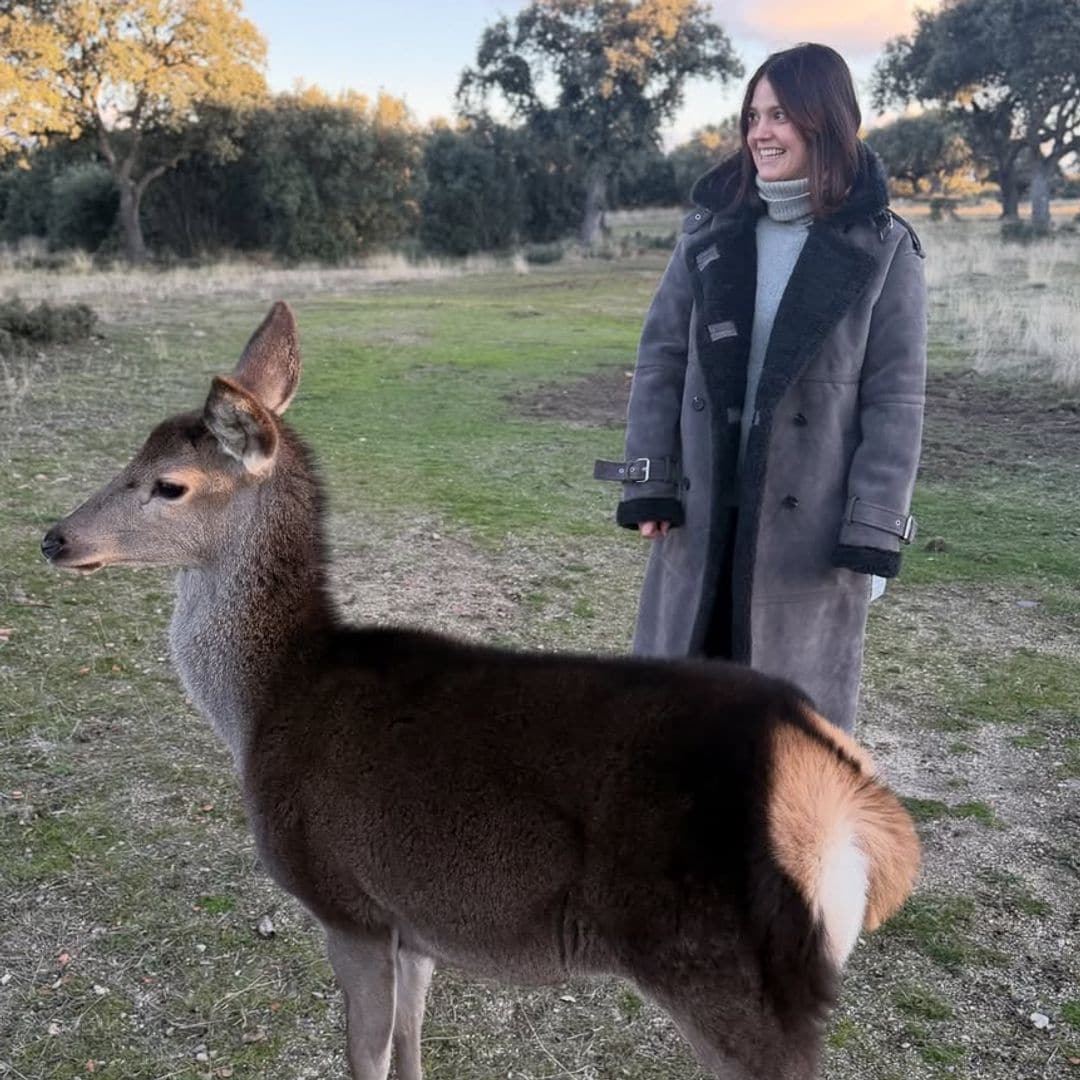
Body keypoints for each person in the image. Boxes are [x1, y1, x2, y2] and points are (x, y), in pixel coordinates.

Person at [594, 43, 926, 734]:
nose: (759, 133)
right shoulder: (708, 233)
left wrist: (872, 531)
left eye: (779, 115)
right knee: (680, 713)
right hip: (705, 506)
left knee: (784, 738)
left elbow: (895, 399)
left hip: (806, 528)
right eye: (752, 116)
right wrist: (649, 480)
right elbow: (660, 358)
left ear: (825, 121)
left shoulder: (885, 247)